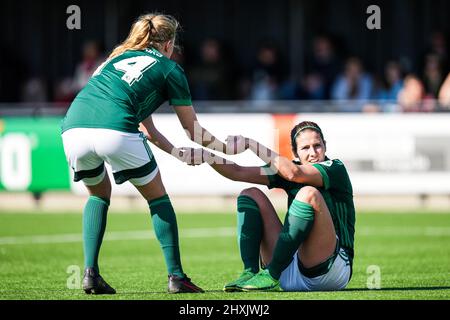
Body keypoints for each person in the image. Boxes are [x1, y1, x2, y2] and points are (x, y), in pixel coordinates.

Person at [60, 13, 240, 295]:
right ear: (168, 43)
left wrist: (174, 152)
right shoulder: (170, 69)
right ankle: (177, 277)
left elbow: (145, 124)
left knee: (98, 195)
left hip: (72, 129)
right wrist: (226, 149)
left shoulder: (114, 59)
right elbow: (195, 132)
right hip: (115, 129)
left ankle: (90, 274)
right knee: (157, 198)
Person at [196, 121, 355, 291]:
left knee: (309, 194)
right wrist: (207, 156)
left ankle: (272, 273)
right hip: (289, 269)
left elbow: (293, 174)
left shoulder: (335, 168)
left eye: (317, 146)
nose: (313, 153)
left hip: (331, 271)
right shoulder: (291, 168)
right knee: (250, 194)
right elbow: (237, 172)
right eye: (305, 148)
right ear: (295, 152)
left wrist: (250, 144)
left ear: (325, 146)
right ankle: (250, 273)